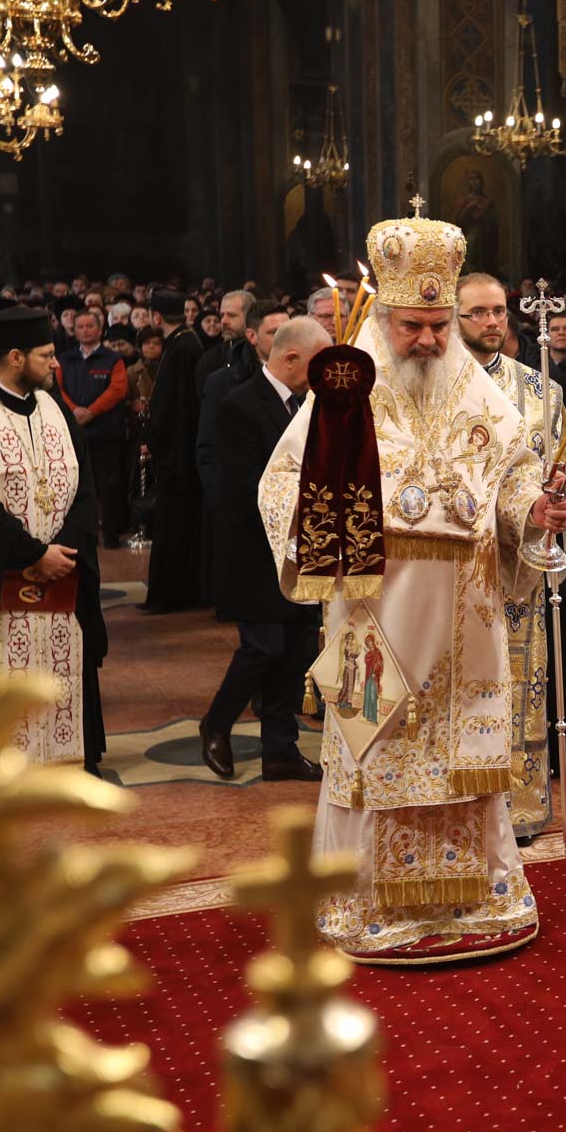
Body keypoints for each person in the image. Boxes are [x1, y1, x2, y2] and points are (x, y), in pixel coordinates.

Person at [259, 208, 566, 966]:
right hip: (379, 617)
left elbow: (514, 478)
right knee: (376, 753)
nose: (429, 340)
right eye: (412, 326)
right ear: (385, 319)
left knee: (467, 767)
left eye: (438, 325)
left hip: (468, 628)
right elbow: (281, 483)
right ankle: (367, 902)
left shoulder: (479, 394)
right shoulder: (343, 392)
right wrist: (328, 520)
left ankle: (478, 897)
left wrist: (535, 511)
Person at [0, 305, 107, 773]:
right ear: (15, 357)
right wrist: (33, 555)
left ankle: (73, 760)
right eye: (46, 355)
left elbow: (86, 489)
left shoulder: (57, 409)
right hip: (2, 580)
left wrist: (63, 551)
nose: (55, 363)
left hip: (65, 570)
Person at [457, 270, 566, 839]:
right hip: (453, 570)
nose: (491, 321)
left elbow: (560, 470)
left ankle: (519, 808)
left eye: (498, 310)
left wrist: (553, 509)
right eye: (477, 312)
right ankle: (462, 808)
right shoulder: (436, 389)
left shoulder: (540, 390)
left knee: (521, 685)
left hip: (519, 570)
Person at [199, 316, 331, 784]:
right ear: (291, 358)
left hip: (300, 550)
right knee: (263, 647)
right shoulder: (240, 405)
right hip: (254, 553)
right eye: (317, 364)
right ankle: (216, 723)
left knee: (294, 650)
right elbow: (244, 487)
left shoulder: (310, 405)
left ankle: (280, 751)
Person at [141, 290, 208, 612]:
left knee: (176, 526)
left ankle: (173, 594)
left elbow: (174, 408)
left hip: (178, 457)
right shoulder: (182, 342)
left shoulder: (182, 347)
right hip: (175, 453)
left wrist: (154, 440)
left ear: (156, 317)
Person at [53, 309, 130, 548]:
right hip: (74, 435)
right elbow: (57, 388)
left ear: (100, 329)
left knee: (109, 488)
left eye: (90, 326)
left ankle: (110, 537)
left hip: (106, 433)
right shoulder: (64, 359)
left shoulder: (113, 359)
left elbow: (118, 390)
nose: (85, 331)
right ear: (74, 331)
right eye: (80, 327)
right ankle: (84, 538)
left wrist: (91, 411)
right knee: (78, 488)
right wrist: (74, 410)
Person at [196, 300, 283, 509]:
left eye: (287, 332)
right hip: (238, 506)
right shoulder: (222, 382)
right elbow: (208, 450)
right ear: (252, 336)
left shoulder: (303, 379)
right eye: (274, 333)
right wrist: (221, 503)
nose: (284, 340)